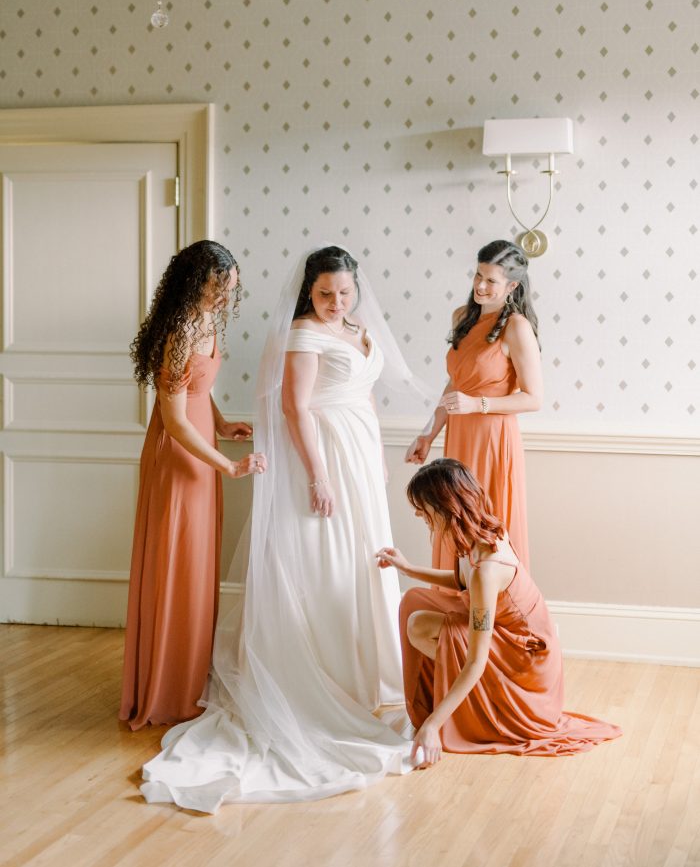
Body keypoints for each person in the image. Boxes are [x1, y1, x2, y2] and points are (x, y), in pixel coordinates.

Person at [138, 245, 432, 810]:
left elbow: (361, 389)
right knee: (324, 555)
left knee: (360, 555)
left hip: (358, 452)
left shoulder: (353, 325)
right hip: (321, 456)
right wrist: (320, 475)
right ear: (308, 292)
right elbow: (296, 409)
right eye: (325, 293)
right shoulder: (302, 333)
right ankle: (328, 672)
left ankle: (369, 676)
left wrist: (371, 451)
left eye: (345, 293)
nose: (336, 302)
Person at [377, 458, 622, 762]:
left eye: (423, 506)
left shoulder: (487, 569)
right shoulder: (482, 533)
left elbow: (476, 660)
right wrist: (409, 569)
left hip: (525, 666)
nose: (418, 513)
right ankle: (462, 699)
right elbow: (462, 581)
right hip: (511, 639)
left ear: (445, 506)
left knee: (421, 625)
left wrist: (432, 725)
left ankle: (478, 705)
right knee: (415, 601)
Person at [120, 240, 267, 731]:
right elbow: (174, 420)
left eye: (231, 288)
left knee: (196, 564)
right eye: (219, 286)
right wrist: (226, 466)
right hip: (179, 457)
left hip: (203, 446)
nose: (226, 295)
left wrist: (223, 426)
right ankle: (165, 689)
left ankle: (187, 678)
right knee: (176, 564)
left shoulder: (205, 322)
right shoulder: (181, 331)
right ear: (195, 282)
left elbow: (198, 389)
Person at [406, 238, 542, 572]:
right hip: (459, 436)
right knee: (454, 517)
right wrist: (427, 435)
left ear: (511, 285)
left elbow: (533, 398)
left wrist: (477, 404)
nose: (480, 286)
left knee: (484, 522)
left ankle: (491, 613)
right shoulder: (462, 317)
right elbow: (456, 383)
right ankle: (457, 608)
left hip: (493, 440)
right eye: (478, 276)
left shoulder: (516, 327)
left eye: (491, 281)